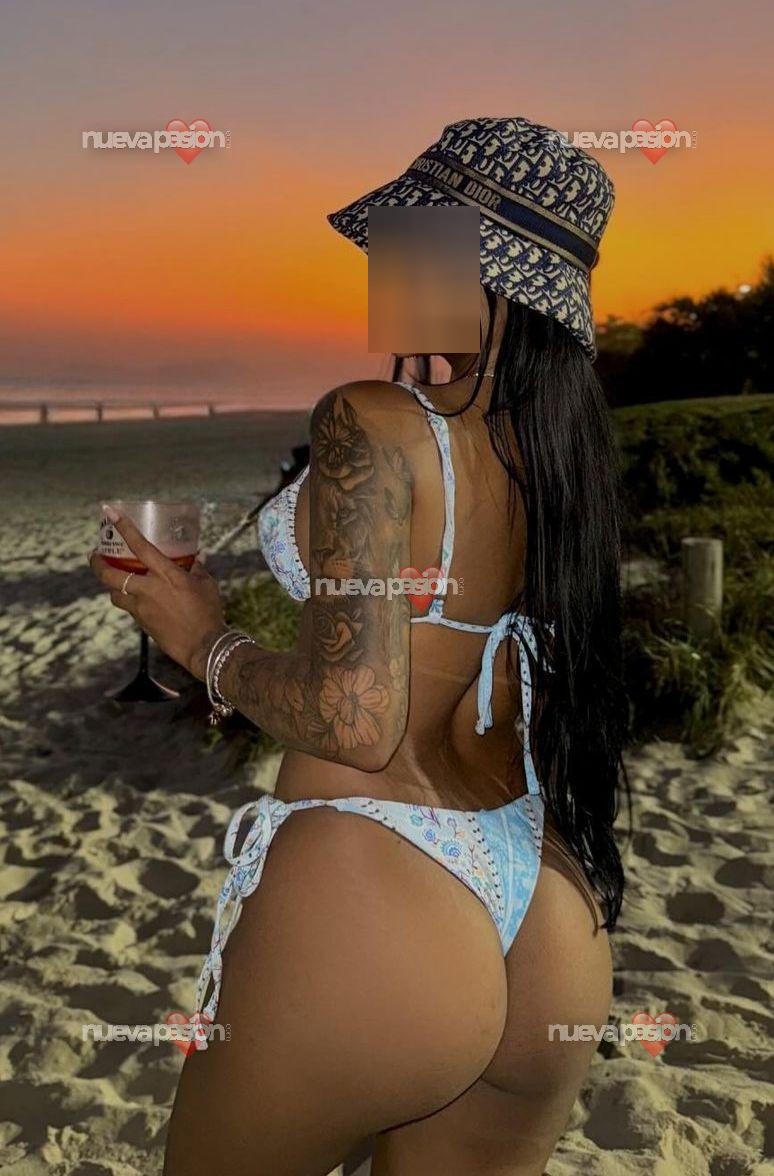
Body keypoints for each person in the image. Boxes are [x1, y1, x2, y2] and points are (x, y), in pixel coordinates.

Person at [90, 116, 628, 1176]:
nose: (385, 254)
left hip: (376, 892)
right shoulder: (560, 455)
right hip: (544, 910)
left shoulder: (374, 420)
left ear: (491, 270)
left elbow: (357, 719)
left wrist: (202, 638)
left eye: (416, 233)